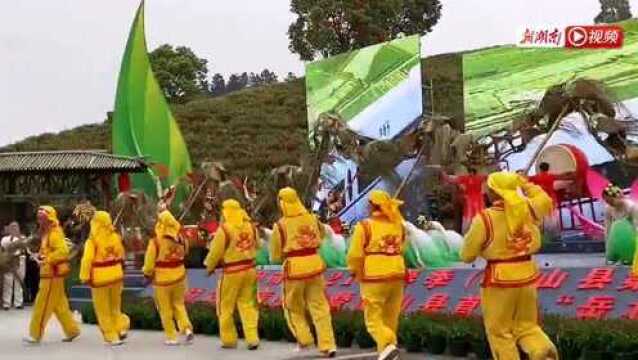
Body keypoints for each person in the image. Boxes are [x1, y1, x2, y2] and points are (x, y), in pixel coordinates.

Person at [461, 172, 558, 360]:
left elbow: (466, 255)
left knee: (500, 332)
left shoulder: (485, 218)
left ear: (491, 192)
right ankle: (542, 353)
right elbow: (545, 199)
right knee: (528, 327)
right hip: (527, 275)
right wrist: (525, 184)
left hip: (500, 280)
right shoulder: (527, 209)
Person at [270, 187, 336, 358]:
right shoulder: (312, 218)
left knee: (292, 306)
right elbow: (322, 234)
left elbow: (275, 255)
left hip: (294, 269)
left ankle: (304, 339)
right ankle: (328, 344)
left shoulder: (280, 225)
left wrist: (282, 256)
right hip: (315, 265)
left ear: (282, 202)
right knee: (320, 306)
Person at [347, 190, 405, 360]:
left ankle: (387, 344)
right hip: (397, 274)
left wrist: (355, 271)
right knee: (390, 317)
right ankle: (387, 352)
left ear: (372, 206)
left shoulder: (364, 226)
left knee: (373, 319)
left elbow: (355, 255)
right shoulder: (398, 225)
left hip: (374, 276)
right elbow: (404, 247)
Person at [204, 199, 260, 350]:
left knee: (225, 306)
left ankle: (229, 340)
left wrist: (209, 267)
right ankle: (252, 338)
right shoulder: (251, 226)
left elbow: (216, 252)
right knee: (248, 305)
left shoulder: (225, 229)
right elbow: (258, 245)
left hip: (232, 272)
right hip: (250, 269)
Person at [23, 206, 80, 344]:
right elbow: (51, 252)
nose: (40, 221)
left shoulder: (54, 234)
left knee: (41, 306)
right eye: (39, 218)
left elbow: (62, 252)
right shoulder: (49, 233)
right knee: (60, 306)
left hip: (51, 276)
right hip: (52, 275)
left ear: (49, 219)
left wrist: (45, 259)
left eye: (42, 218)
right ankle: (72, 330)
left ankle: (35, 334)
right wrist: (40, 256)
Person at [143, 210, 194, 346]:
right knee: (179, 304)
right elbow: (186, 252)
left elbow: (149, 263)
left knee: (165, 309)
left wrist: (147, 273)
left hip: (162, 281)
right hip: (180, 278)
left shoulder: (155, 242)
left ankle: (172, 336)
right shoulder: (181, 238)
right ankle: (187, 328)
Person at [79, 211, 130, 346]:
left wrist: (84, 276)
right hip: (116, 277)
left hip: (100, 279)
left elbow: (87, 260)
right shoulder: (115, 237)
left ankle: (111, 336)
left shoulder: (92, 240)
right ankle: (121, 328)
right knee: (115, 308)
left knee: (103, 311)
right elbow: (122, 255)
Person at [602, 184, 638, 265]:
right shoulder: (608, 209)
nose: (609, 203)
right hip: (619, 237)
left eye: (611, 201)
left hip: (631, 235)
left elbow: (636, 228)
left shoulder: (632, 207)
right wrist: (608, 251)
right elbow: (607, 229)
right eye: (607, 201)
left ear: (619, 197)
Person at [441, 167, 487, 232]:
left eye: (471, 172)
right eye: (470, 172)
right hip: (475, 201)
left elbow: (452, 180)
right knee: (474, 217)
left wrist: (444, 174)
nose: (470, 174)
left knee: (472, 217)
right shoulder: (471, 178)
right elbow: (453, 180)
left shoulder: (473, 178)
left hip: (473, 201)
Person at [2, 222, 26, 310]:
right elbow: (5, 247)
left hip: (20, 260)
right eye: (12, 227)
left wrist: (18, 236)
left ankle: (18, 303)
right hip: (9, 261)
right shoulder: (5, 239)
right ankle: (6, 303)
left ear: (19, 228)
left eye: (16, 227)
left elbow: (24, 247)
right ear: (9, 228)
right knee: (8, 281)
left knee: (19, 281)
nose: (14, 229)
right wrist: (12, 237)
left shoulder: (22, 237)